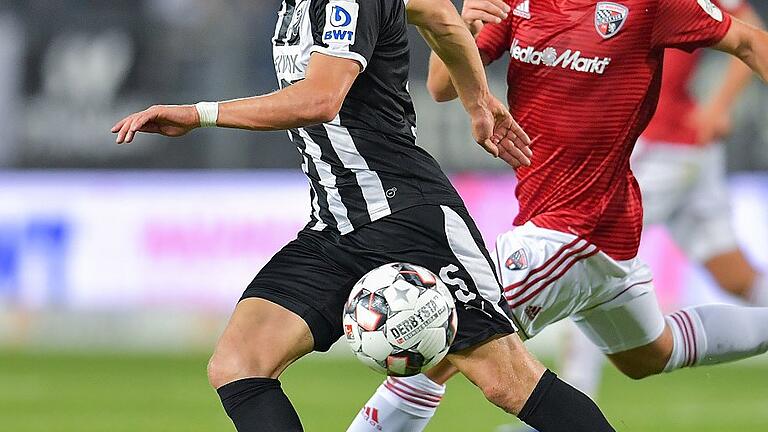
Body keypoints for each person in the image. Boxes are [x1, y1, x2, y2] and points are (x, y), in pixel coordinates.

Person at [111, 0, 617, 431]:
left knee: (508, 381)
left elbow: (320, 99)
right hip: (334, 226)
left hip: (408, 218)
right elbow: (440, 16)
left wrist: (198, 114)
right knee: (239, 363)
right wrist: (478, 99)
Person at [347, 0, 768, 430]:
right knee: (650, 353)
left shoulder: (648, 6)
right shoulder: (514, 3)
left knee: (441, 333)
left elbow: (750, 39)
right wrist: (465, 27)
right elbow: (440, 85)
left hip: (576, 227)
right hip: (586, 228)